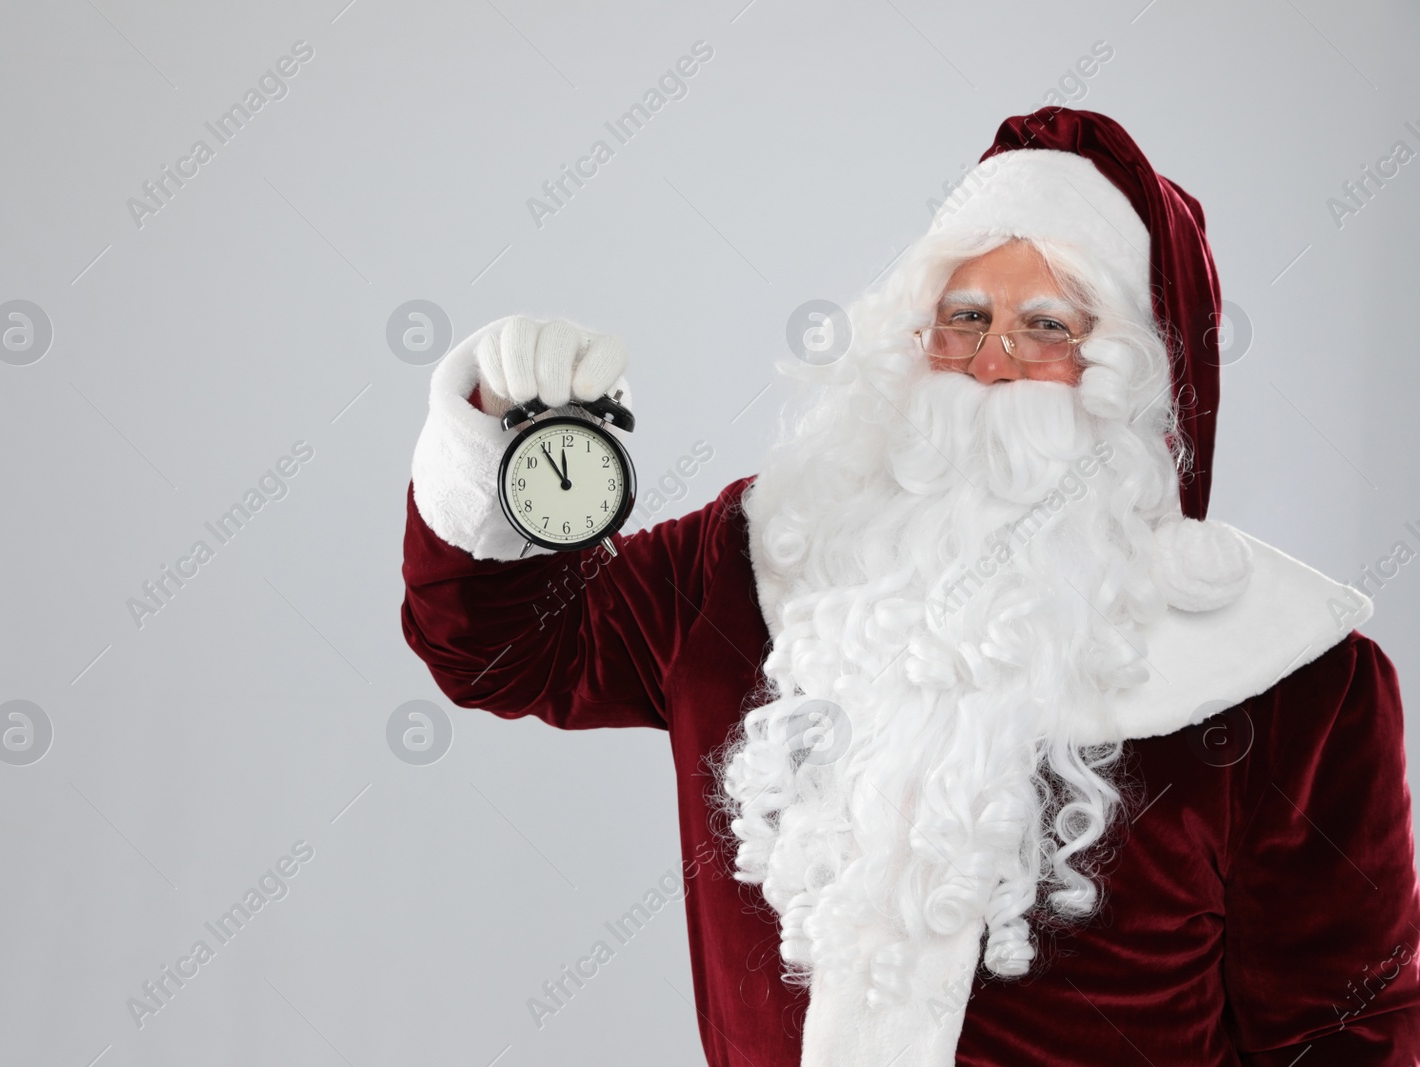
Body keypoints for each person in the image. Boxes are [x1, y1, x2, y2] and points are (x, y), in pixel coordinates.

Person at [400, 107, 1420, 1065]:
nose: (991, 361)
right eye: (963, 315)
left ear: (1129, 379)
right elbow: (502, 647)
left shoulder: (1290, 682)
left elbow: (1343, 1033)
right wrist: (498, 430)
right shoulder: (751, 560)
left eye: (1049, 327)